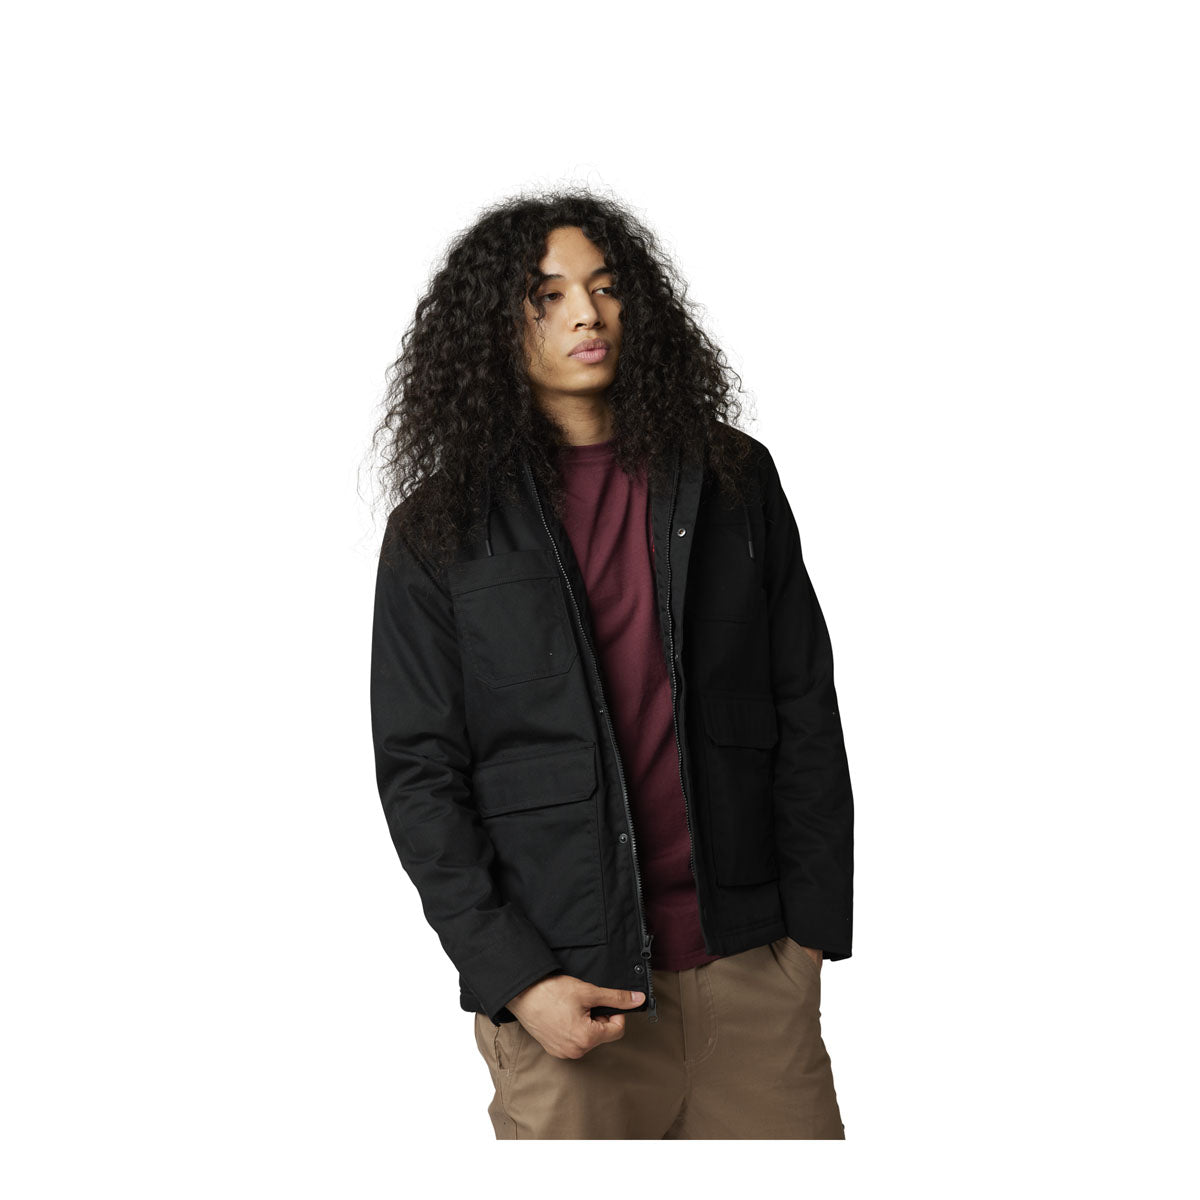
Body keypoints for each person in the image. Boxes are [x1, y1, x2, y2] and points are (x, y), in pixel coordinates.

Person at [368, 189, 855, 1139]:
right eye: (546, 297)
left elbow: (803, 702)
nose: (586, 314)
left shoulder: (733, 481)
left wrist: (807, 936)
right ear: (492, 330)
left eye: (605, 286)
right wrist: (517, 979)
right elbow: (420, 774)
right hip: (570, 994)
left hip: (751, 972)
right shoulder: (439, 530)